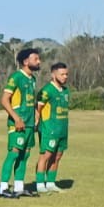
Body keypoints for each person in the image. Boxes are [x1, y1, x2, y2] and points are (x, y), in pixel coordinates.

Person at [0, 47, 42, 197]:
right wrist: (16, 118)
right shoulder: (16, 77)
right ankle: (3, 188)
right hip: (18, 124)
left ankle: (18, 187)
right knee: (14, 154)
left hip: (29, 124)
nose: (39, 61)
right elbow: (4, 100)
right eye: (35, 59)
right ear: (25, 61)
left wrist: (36, 116)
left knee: (25, 155)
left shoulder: (33, 79)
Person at [35, 61, 71, 193]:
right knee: (46, 155)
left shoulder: (66, 91)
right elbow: (37, 109)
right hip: (49, 129)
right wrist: (37, 123)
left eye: (66, 74)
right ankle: (39, 184)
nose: (65, 77)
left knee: (58, 156)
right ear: (53, 75)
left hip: (62, 129)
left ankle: (50, 182)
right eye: (62, 74)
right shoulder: (46, 91)